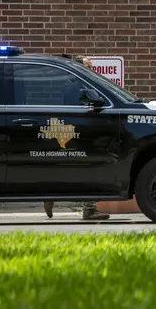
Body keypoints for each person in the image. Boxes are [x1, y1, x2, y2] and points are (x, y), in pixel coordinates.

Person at [44, 55, 110, 221]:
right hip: (81, 132)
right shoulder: (80, 86)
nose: (92, 70)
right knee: (91, 168)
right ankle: (89, 209)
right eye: (88, 67)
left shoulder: (71, 85)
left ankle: (51, 193)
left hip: (74, 131)